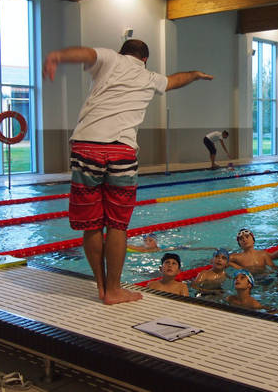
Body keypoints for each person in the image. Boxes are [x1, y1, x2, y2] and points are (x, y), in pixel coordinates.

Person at [43, 40, 213, 305]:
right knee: (117, 225)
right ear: (145, 59)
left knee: (91, 224)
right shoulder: (149, 77)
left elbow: (86, 53)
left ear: (123, 52)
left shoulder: (110, 59)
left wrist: (58, 55)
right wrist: (196, 75)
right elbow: (175, 80)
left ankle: (101, 286)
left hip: (87, 147)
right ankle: (114, 289)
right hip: (122, 151)